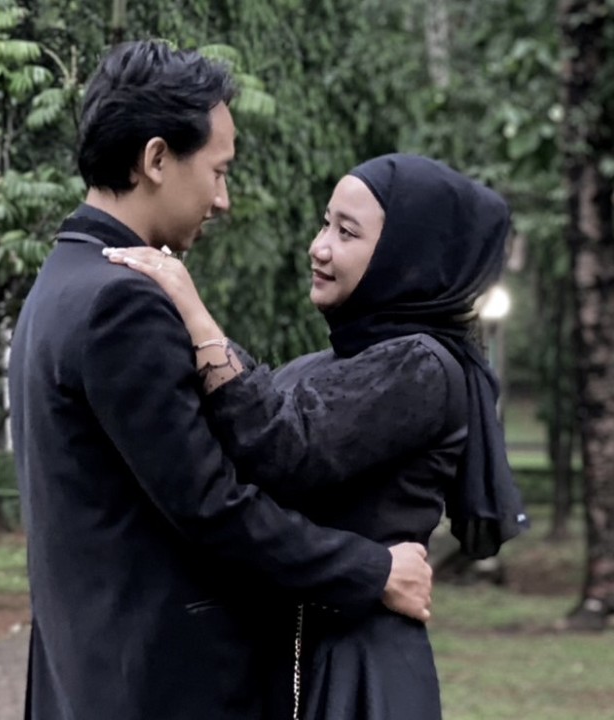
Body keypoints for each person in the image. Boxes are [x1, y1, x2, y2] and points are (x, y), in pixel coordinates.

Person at [8, 42, 434, 720]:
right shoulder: (123, 302)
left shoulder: (61, 281)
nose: (223, 200)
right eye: (218, 171)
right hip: (160, 691)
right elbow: (211, 506)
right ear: (156, 159)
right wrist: (373, 570)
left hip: (92, 679)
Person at [106, 153, 529, 720]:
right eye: (326, 223)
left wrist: (193, 313)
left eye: (346, 233)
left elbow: (280, 447)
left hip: (357, 670)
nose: (319, 247)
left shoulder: (421, 366)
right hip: (295, 653)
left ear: (407, 255)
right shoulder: (331, 366)